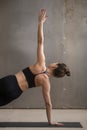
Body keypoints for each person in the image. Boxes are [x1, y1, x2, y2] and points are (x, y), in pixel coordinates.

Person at [0, 9, 70, 126]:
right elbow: (48, 103)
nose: (54, 61)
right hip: (15, 93)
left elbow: (40, 42)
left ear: (55, 65)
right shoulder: (46, 82)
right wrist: (50, 121)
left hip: (10, 81)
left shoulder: (41, 64)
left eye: (56, 62)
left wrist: (40, 23)